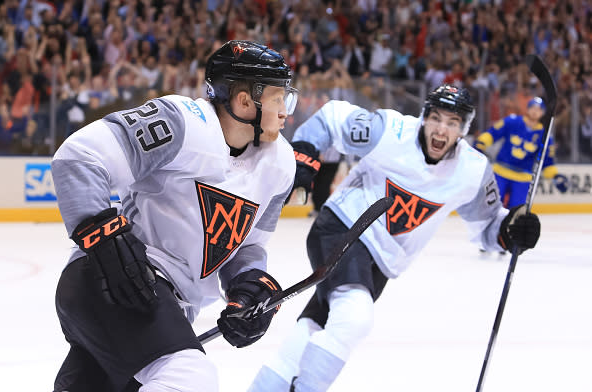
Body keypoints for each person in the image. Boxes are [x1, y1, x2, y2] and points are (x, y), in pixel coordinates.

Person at [247, 84, 542, 392]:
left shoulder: (472, 171)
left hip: (382, 261)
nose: (442, 129)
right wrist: (305, 155)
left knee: (317, 325)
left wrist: (512, 231)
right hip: (344, 228)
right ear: (425, 117)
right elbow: (331, 119)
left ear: (463, 130)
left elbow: (489, 228)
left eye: (453, 123)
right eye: (437, 118)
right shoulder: (390, 131)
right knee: (354, 316)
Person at [51, 40, 300, 392]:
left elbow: (245, 248)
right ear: (246, 101)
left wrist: (247, 290)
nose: (286, 110)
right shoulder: (184, 122)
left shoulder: (280, 164)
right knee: (188, 377)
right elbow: (79, 157)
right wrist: (104, 240)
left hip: (161, 306)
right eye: (279, 97)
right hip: (115, 284)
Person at [474, 96, 567, 209]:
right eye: (533, 107)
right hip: (500, 172)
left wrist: (555, 176)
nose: (535, 111)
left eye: (539, 109)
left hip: (523, 178)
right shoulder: (512, 121)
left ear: (542, 113)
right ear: (527, 109)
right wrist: (481, 144)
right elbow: (493, 133)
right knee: (491, 207)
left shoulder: (545, 135)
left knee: (517, 211)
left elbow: (547, 160)